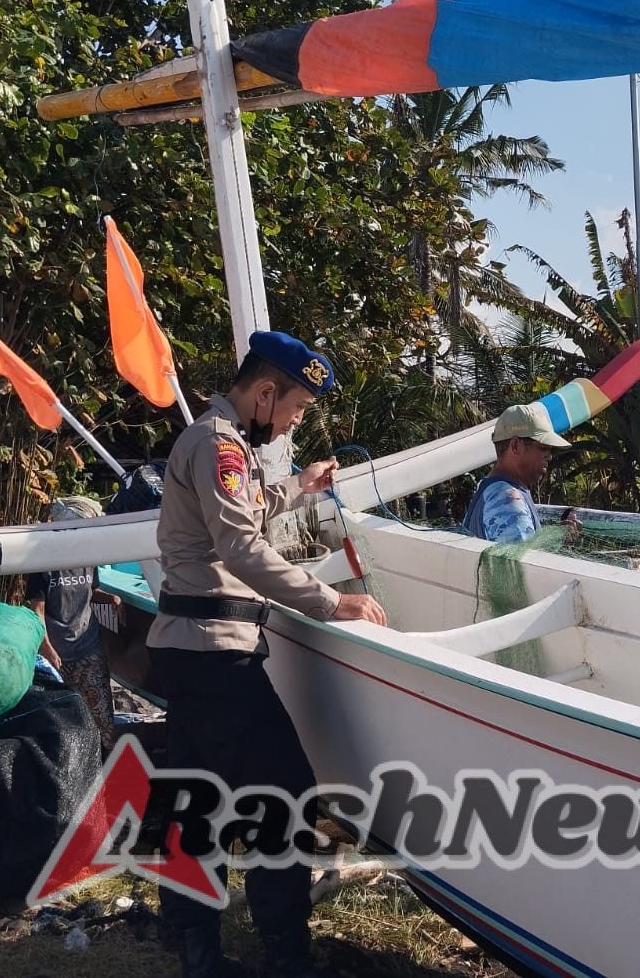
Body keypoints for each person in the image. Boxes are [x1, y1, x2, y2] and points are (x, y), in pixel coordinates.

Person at [147, 330, 385, 978]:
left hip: (190, 648)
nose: (293, 423)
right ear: (264, 392)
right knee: (284, 795)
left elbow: (241, 509)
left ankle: (191, 940)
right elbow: (243, 548)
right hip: (213, 652)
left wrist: (300, 487)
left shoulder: (219, 442)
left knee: (201, 799)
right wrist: (331, 602)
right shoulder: (220, 443)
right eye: (296, 409)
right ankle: (285, 955)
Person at [26, 495, 119, 755]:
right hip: (57, 652)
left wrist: (110, 599)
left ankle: (106, 770)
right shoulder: (44, 562)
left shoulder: (87, 555)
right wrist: (46, 648)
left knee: (102, 719)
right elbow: (38, 609)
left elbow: (90, 589)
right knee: (61, 719)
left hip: (88, 645)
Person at [461, 402, 570, 543]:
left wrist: (559, 537)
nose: (549, 456)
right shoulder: (506, 498)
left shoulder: (491, 489)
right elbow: (525, 562)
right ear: (516, 446)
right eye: (544, 448)